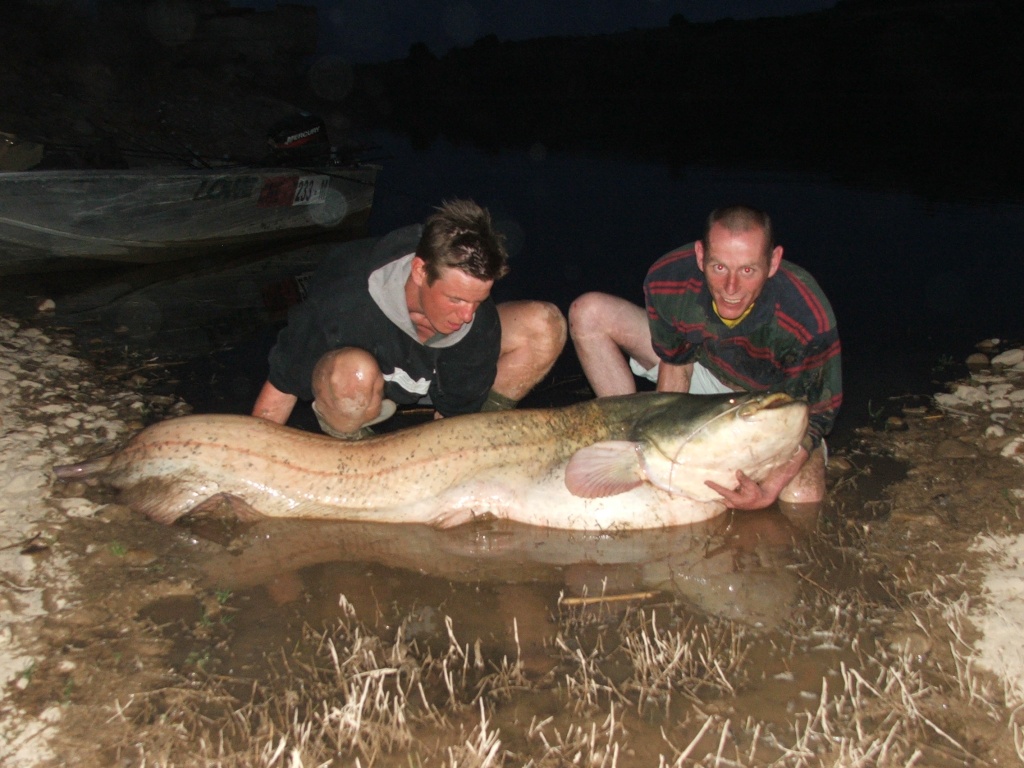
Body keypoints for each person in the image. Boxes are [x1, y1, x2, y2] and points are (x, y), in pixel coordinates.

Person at [569, 204, 841, 511]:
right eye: (719, 267)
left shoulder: (805, 313)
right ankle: (625, 439)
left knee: (802, 498)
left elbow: (818, 413)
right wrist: (660, 456)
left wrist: (768, 490)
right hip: (703, 370)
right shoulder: (670, 278)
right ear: (700, 255)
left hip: (766, 408)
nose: (731, 287)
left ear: (774, 261)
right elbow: (676, 365)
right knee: (589, 312)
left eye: (748, 270)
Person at [253, 199, 567, 438]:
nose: (467, 315)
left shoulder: (477, 325)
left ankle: (482, 439)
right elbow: (280, 390)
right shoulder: (346, 299)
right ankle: (353, 444)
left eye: (478, 300)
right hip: (358, 374)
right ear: (420, 271)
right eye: (455, 299)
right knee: (353, 372)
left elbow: (453, 419)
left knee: (541, 324)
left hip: (429, 377)